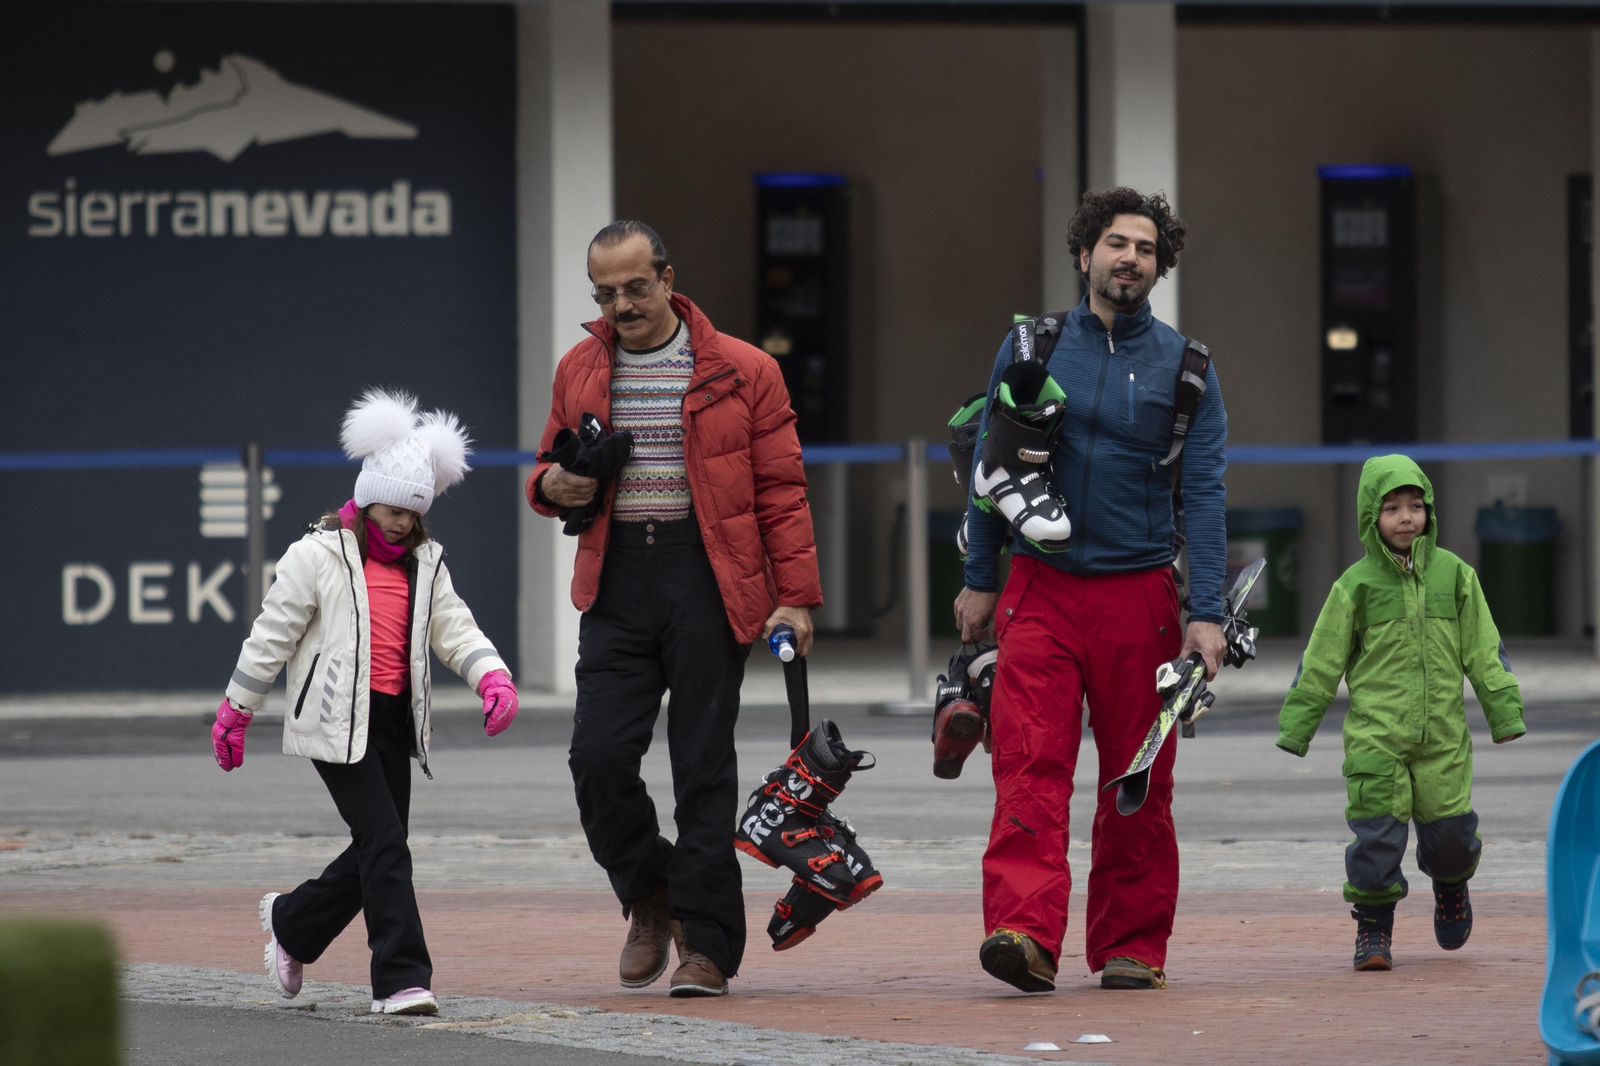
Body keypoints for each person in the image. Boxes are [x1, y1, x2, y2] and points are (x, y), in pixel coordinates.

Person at [526, 221, 821, 998]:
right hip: (616, 579)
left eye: (634, 287)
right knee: (597, 757)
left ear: (667, 276)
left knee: (702, 766)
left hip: (706, 573)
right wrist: (553, 487)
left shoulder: (743, 368)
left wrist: (794, 597)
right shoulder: (580, 367)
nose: (621, 305)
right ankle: (650, 891)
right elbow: (547, 468)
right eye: (605, 293)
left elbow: (782, 490)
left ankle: (709, 948)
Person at [954, 187, 1228, 993]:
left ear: (1159, 265)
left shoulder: (1189, 369)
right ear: (1084, 254)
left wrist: (1205, 615)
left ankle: (1132, 947)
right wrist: (979, 580)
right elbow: (991, 465)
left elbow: (1205, 496)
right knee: (1028, 763)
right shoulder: (1031, 347)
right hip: (1038, 590)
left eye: (1145, 248)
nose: (1129, 259)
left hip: (1140, 596)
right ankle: (1022, 933)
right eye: (1115, 243)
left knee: (1138, 774)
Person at [211, 389, 519, 1015]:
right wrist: (236, 710)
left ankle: (293, 924)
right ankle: (402, 979)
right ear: (367, 495)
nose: (402, 522)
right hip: (333, 723)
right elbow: (270, 635)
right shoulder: (316, 555)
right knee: (385, 844)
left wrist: (493, 677)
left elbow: (455, 628)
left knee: (380, 846)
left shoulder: (426, 565)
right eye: (393, 508)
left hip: (391, 723)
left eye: (414, 512)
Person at [1277, 455, 1525, 971]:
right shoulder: (1355, 586)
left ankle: (1451, 886)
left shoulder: (1456, 576)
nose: (1405, 517)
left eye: (1415, 506)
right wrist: (1297, 726)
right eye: (1391, 508)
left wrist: (1503, 711)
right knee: (1375, 841)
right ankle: (1373, 928)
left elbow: (1485, 650)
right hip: (1377, 739)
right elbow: (1320, 662)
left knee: (1452, 837)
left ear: (1430, 512)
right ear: (1372, 516)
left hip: (1443, 741)